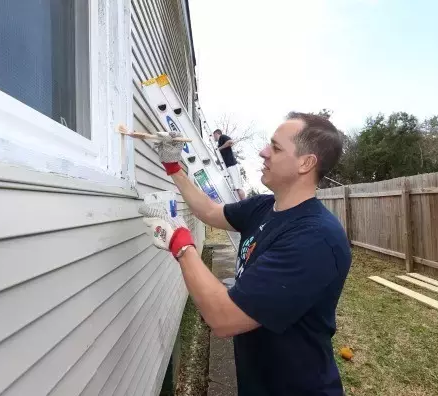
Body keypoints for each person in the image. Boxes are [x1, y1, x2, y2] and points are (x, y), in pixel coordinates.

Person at [139, 112, 352, 396]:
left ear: (306, 163)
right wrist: (173, 166)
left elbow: (224, 318)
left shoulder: (314, 239)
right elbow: (209, 212)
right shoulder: (265, 206)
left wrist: (179, 241)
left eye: (275, 148)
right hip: (259, 381)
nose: (264, 152)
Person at [213, 129, 246, 200]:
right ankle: (240, 204)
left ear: (216, 134)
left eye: (214, 135)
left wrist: (219, 149)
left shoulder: (222, 137)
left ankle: (245, 205)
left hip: (232, 165)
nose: (213, 137)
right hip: (227, 167)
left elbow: (231, 142)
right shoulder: (219, 143)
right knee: (234, 188)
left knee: (238, 187)